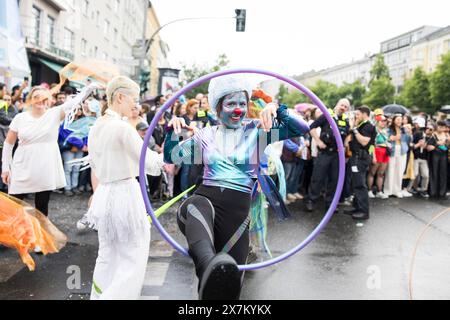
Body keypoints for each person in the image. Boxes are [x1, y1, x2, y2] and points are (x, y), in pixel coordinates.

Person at [164, 74, 309, 300]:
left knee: (225, 292)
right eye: (231, 103)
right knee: (196, 206)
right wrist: (173, 132)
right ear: (218, 108)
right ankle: (206, 262)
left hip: (237, 220)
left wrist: (276, 108)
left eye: (242, 103)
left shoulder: (259, 132)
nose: (238, 109)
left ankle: (208, 267)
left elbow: (301, 128)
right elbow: (173, 156)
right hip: (202, 207)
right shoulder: (205, 135)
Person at [86, 76, 165, 300]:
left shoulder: (95, 127)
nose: (137, 105)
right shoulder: (122, 128)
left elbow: (95, 167)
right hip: (125, 194)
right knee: (133, 255)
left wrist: (94, 194)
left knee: (107, 255)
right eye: (134, 99)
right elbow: (150, 164)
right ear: (120, 96)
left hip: (105, 193)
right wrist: (171, 153)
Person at [1, 83, 98, 217]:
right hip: (22, 164)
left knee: (42, 205)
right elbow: (8, 144)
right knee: (15, 203)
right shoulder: (20, 118)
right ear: (30, 99)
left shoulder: (54, 114)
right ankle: (14, 234)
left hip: (45, 165)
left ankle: (40, 235)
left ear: (48, 100)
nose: (40, 100)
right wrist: (6, 167)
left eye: (43, 97)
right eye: (36, 97)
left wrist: (88, 89)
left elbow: (74, 102)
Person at [305, 98, 350, 212]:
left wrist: (344, 147)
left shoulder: (345, 121)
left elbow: (347, 135)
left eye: (345, 106)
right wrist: (318, 141)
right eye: (342, 105)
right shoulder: (327, 116)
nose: (343, 108)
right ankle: (311, 201)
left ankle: (330, 204)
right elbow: (311, 128)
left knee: (334, 180)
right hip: (325, 153)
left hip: (337, 155)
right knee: (317, 178)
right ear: (337, 104)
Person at [344, 106, 376, 220]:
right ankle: (357, 207)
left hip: (360, 157)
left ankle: (364, 211)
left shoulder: (368, 126)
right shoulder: (361, 125)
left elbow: (364, 142)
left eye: (358, 114)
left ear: (364, 114)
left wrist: (355, 130)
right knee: (355, 183)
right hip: (356, 156)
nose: (356, 116)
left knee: (360, 184)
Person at [383, 114, 412, 198]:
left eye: (401, 119)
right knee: (390, 171)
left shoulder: (404, 129)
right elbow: (386, 138)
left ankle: (397, 190)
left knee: (399, 171)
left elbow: (409, 140)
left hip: (402, 151)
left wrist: (409, 133)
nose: (399, 121)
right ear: (394, 120)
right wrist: (393, 138)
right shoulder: (389, 129)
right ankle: (388, 190)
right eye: (397, 119)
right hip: (392, 150)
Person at [367, 114, 390, 199]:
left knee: (381, 173)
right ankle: (369, 190)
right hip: (376, 152)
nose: (384, 123)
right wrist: (373, 156)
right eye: (382, 121)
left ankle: (379, 191)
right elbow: (371, 144)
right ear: (377, 121)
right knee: (372, 172)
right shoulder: (374, 130)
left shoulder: (386, 131)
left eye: (385, 121)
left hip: (385, 152)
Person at [427, 121, 449, 199]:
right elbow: (429, 148)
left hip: (443, 156)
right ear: (437, 126)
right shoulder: (433, 135)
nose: (442, 129)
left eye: (443, 127)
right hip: (435, 156)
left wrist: (447, 141)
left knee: (443, 174)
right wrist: (437, 144)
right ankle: (433, 191)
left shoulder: (446, 135)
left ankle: (442, 192)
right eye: (440, 127)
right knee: (434, 173)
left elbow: (447, 146)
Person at [409, 117, 430, 198]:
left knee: (425, 175)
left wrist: (426, 145)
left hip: (424, 158)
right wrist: (418, 145)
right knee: (414, 174)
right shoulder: (416, 133)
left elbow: (430, 145)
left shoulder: (429, 135)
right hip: (416, 156)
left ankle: (423, 189)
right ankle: (410, 188)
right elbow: (412, 145)